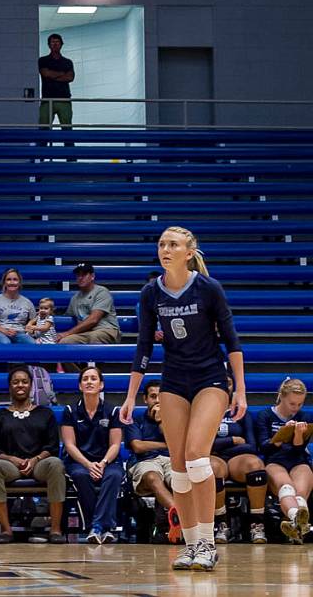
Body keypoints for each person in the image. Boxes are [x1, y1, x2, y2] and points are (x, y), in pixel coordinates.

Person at [120, 226, 246, 571]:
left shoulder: (209, 289)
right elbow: (143, 347)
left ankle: (208, 541)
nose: (165, 249)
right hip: (173, 381)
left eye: (172, 244)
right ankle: (191, 546)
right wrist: (131, 397)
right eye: (162, 244)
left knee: (196, 457)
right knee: (178, 468)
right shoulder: (151, 293)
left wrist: (242, 390)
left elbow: (232, 342)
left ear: (189, 252)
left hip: (210, 379)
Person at [0, 367, 66, 544]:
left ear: (31, 386)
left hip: (39, 463)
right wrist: (13, 459)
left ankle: (55, 529)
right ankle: (6, 529)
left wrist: (35, 459)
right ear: (9, 387)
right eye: (15, 382)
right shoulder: (0, 415)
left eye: (24, 381)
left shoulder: (45, 413)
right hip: (10, 465)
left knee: (56, 464)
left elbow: (52, 447)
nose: (20, 385)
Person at [60, 366, 123, 544]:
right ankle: (105, 526)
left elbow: (115, 444)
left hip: (107, 461)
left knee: (115, 475)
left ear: (101, 385)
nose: (89, 382)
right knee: (81, 475)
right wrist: (88, 464)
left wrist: (102, 463)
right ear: (80, 386)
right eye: (85, 379)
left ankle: (96, 527)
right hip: (79, 462)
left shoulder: (112, 411)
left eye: (93, 378)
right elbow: (69, 444)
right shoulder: (70, 411)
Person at [210, 374, 266, 544]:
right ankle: (222, 524)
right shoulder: (204, 411)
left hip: (237, 458)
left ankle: (257, 524)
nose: (225, 386)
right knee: (212, 468)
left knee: (255, 464)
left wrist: (219, 443)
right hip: (214, 457)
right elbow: (203, 444)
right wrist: (232, 440)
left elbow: (251, 446)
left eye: (228, 383)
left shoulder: (240, 412)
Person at [255, 378, 312, 544]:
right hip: (275, 460)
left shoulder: (304, 416)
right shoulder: (265, 415)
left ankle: (296, 526)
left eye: (300, 404)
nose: (296, 408)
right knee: (287, 487)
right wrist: (280, 436)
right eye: (292, 404)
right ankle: (297, 520)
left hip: (298, 460)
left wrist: (299, 435)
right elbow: (263, 447)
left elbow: (298, 450)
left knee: (300, 493)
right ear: (282, 397)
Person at [125, 380, 179, 544]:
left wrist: (161, 421)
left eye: (161, 397)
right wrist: (166, 444)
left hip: (170, 460)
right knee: (152, 476)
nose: (157, 401)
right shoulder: (134, 419)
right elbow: (138, 446)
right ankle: (178, 514)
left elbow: (177, 444)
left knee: (179, 480)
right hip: (144, 461)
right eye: (153, 396)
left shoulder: (175, 419)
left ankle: (175, 521)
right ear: (145, 399)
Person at [57, 263, 121, 345]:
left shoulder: (101, 292)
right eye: (78, 275)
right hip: (85, 333)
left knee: (95, 337)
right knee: (64, 341)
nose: (80, 278)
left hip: (106, 330)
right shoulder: (75, 298)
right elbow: (67, 315)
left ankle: (95, 358)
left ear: (92, 276)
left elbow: (93, 320)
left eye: (84, 275)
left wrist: (67, 333)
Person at [0, 268, 36, 345]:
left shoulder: (27, 302)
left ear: (19, 283)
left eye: (15, 279)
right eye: (8, 279)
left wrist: (30, 328)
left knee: (32, 343)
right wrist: (5, 331)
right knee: (5, 343)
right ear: (4, 283)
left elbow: (34, 321)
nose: (12, 282)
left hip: (19, 333)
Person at [38, 33, 74, 129]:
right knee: (43, 129)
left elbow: (70, 77)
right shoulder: (43, 60)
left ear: (61, 44)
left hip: (64, 99)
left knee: (67, 129)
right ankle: (42, 145)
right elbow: (45, 73)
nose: (55, 44)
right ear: (49, 45)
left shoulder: (68, 62)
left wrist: (51, 75)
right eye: (52, 42)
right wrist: (63, 73)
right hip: (47, 100)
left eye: (57, 42)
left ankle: (68, 144)